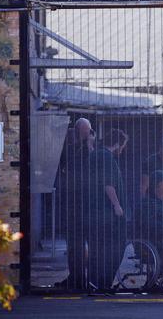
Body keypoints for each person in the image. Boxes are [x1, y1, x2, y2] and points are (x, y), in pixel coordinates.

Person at [86, 128, 128, 291]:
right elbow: (108, 184)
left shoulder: (96, 154)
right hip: (107, 213)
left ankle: (95, 283)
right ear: (117, 144)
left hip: (95, 211)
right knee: (115, 248)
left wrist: (90, 143)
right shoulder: (107, 157)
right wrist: (117, 205)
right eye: (123, 146)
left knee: (98, 249)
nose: (123, 149)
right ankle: (104, 284)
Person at [57, 118, 94, 290]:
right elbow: (63, 164)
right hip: (72, 200)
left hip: (86, 202)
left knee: (84, 243)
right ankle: (75, 277)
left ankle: (86, 278)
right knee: (73, 243)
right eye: (85, 131)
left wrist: (89, 146)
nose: (88, 134)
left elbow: (94, 165)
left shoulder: (91, 150)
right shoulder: (70, 148)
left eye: (89, 131)